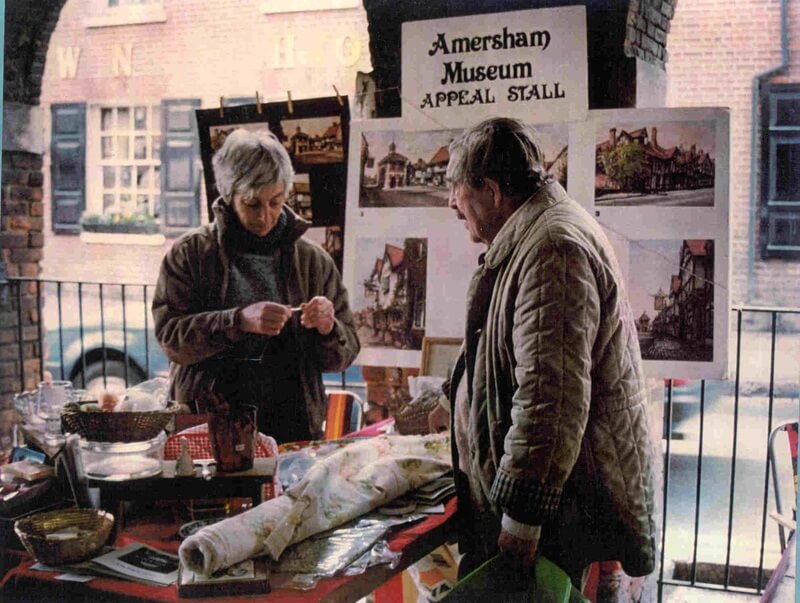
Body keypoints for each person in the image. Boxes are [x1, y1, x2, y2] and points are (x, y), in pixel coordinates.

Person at [432, 117, 656, 589]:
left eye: (458, 192)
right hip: (557, 501)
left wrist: (522, 517)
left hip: (557, 514)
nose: (453, 205)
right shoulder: (539, 234)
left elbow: (550, 397)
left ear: (492, 191)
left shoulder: (552, 247)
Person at [152, 128, 360, 443]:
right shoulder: (190, 254)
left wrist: (329, 328)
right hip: (207, 424)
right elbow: (170, 339)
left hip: (293, 424)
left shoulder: (313, 261)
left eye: (276, 202)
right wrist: (237, 320)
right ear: (227, 194)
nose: (266, 217)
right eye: (252, 204)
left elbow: (343, 356)